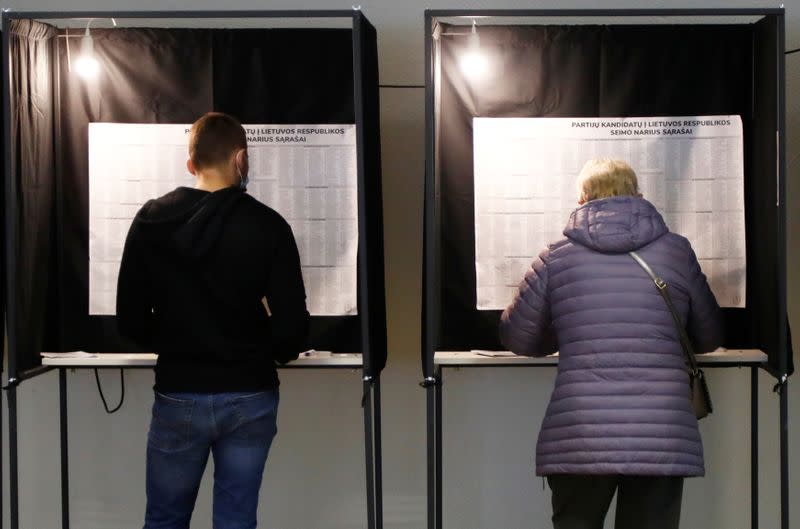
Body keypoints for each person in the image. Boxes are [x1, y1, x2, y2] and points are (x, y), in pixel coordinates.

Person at [499, 158, 723, 529]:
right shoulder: (676, 252)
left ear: (582, 198)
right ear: (638, 195)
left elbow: (517, 337)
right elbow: (710, 334)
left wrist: (568, 329)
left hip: (581, 433)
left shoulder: (556, 257)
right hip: (660, 433)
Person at [116, 112, 309, 529]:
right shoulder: (268, 225)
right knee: (236, 519)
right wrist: (264, 345)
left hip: (178, 390)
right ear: (242, 158)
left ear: (191, 164)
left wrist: (175, 340)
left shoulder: (151, 219)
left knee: (165, 518)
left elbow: (129, 320)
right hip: (251, 394)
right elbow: (293, 330)